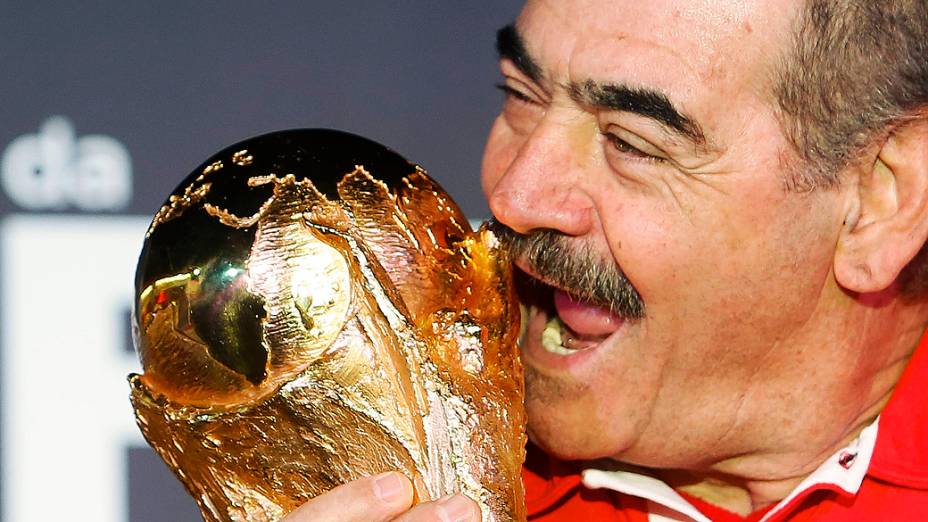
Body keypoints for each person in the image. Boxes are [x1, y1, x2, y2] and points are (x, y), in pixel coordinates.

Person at [284, 0, 928, 520]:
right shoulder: (392, 467)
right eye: (521, 94)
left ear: (881, 205)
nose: (512, 198)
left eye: (631, 143)